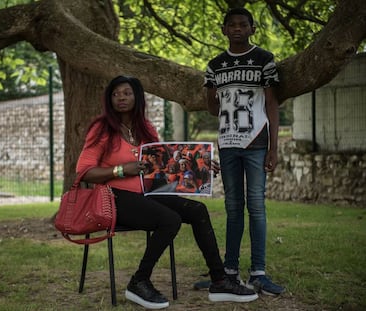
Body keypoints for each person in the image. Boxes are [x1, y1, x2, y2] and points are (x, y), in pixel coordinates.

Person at [76, 75, 258, 309]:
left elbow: (162, 167)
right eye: (115, 93)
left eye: (126, 93)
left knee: (197, 210)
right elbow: (84, 172)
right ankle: (139, 281)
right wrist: (121, 170)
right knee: (170, 220)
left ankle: (220, 280)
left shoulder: (145, 128)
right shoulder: (102, 129)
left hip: (147, 194)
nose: (120, 98)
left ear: (137, 97)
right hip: (114, 197)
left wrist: (200, 165)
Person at [201, 8, 285, 296]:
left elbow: (272, 104)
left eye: (243, 24)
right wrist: (213, 95)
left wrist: (274, 147)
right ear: (224, 30)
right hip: (227, 143)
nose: (237, 28)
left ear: (252, 28)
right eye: (231, 25)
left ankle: (259, 272)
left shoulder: (264, 60)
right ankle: (230, 271)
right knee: (233, 207)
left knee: (257, 206)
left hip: (256, 143)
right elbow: (212, 107)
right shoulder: (215, 65)